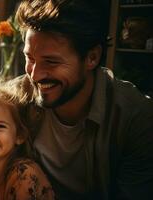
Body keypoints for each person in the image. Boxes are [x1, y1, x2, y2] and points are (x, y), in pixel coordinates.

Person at [14, 0, 153, 199]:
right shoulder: (16, 97)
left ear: (92, 58)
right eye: (30, 59)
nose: (35, 75)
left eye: (51, 61)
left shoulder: (136, 118)